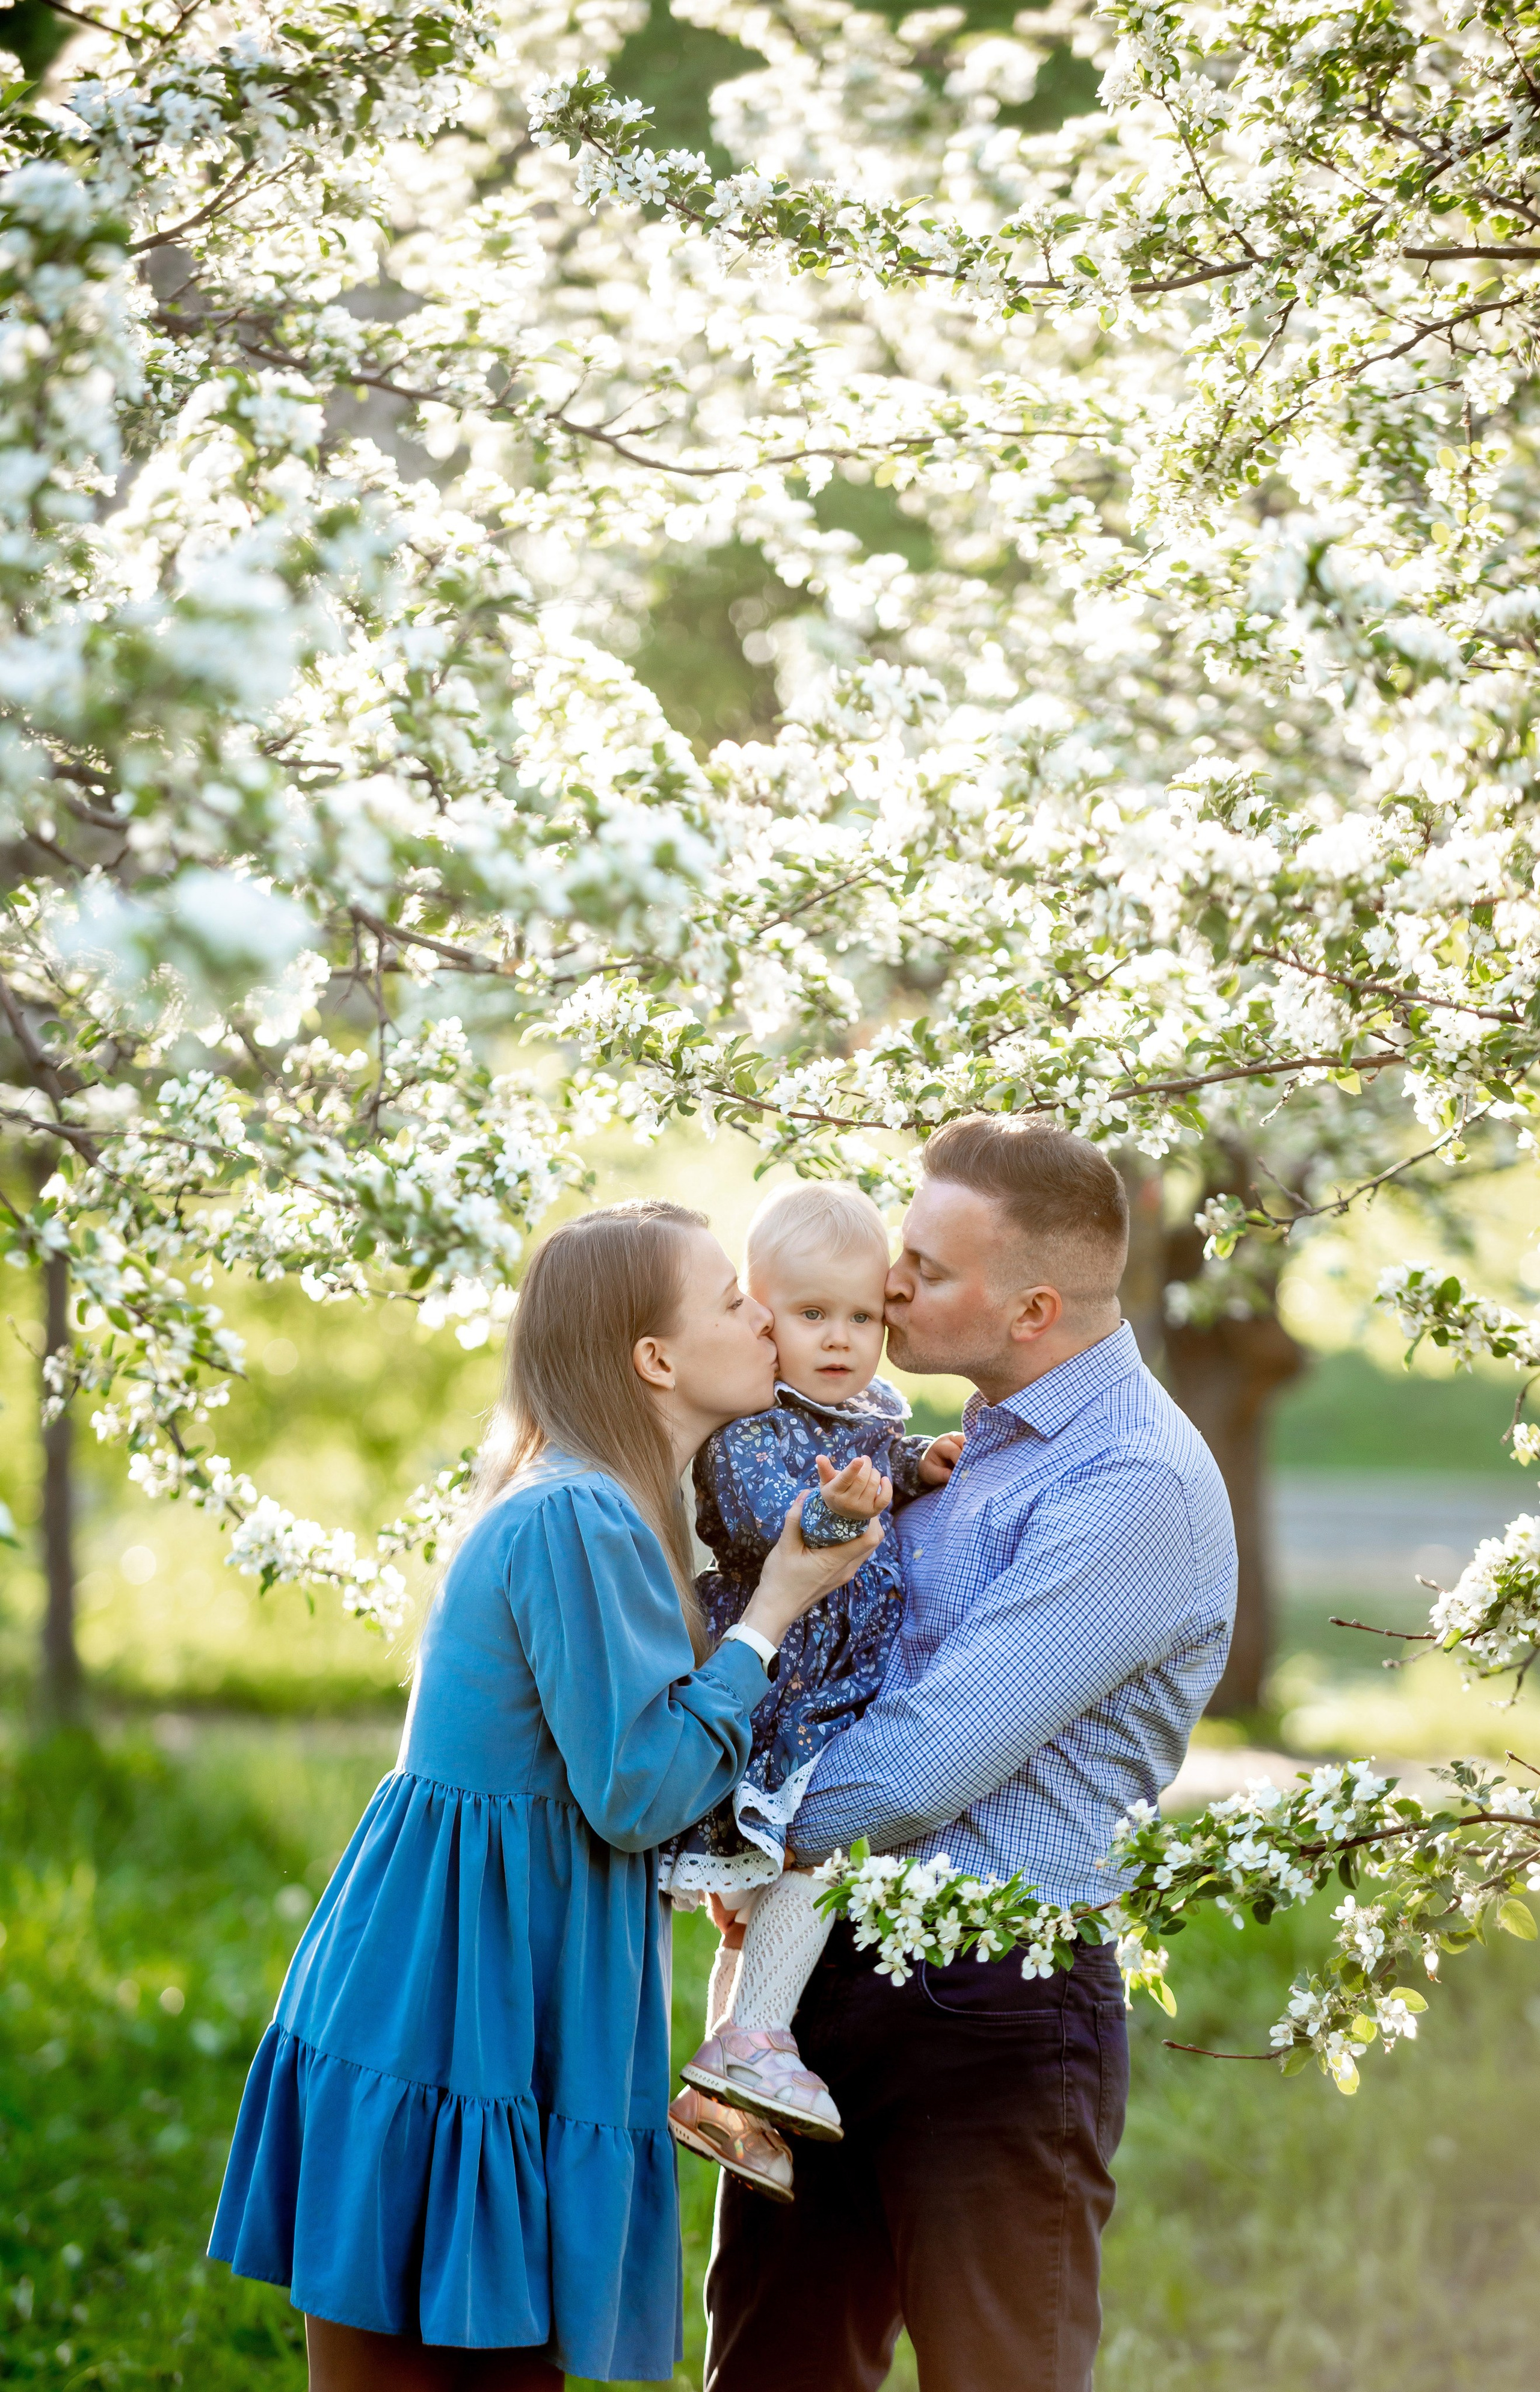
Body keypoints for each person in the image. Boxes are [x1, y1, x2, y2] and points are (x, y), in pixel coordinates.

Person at [208, 1198, 882, 2392]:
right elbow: (633, 1787)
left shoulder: (604, 1501)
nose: (766, 1318)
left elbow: (612, 1770)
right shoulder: (580, 1513)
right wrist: (776, 1606)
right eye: (733, 1298)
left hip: (486, 1974)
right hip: (456, 1994)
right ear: (655, 1359)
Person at [704, 1118, 1239, 2392]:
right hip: (829, 1965)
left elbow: (917, 1768)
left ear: (1033, 1305)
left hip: (992, 2005)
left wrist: (713, 1820)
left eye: (927, 1270)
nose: (889, 1287)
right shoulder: (951, 1443)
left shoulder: (1131, 1483)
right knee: (772, 2365)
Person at [661, 1183, 962, 2193]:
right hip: (791, 1682)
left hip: (844, 1682)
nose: (840, 1340)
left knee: (754, 1904)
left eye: (863, 1317)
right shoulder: (754, 1428)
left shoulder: (868, 1414)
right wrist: (829, 1515)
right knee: (813, 1851)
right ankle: (752, 2038)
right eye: (811, 1316)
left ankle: (719, 2091)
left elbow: (884, 1460)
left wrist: (920, 1466)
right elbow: (753, 1523)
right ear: (762, 1313)